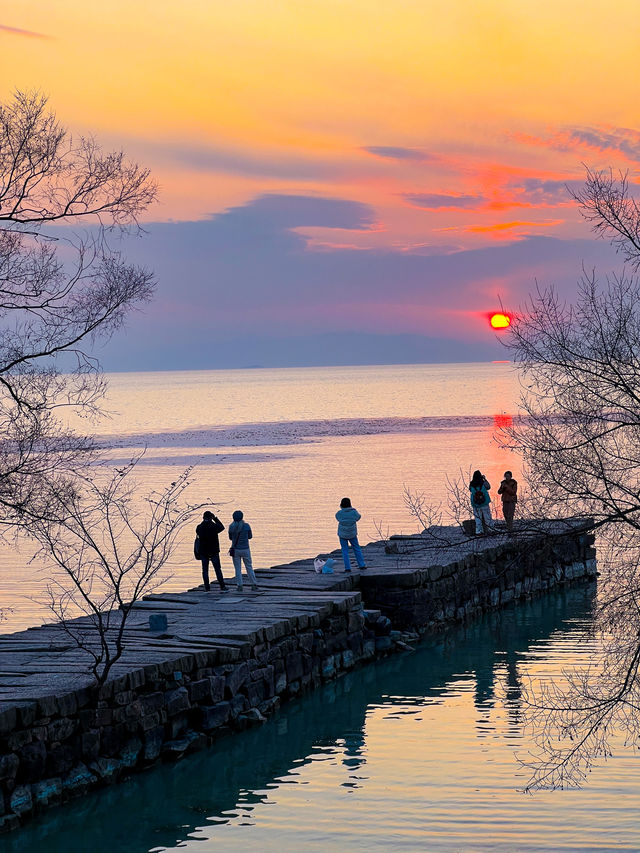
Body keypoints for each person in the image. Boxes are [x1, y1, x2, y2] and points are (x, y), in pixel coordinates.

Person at [195, 510, 228, 592]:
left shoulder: (199, 527)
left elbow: (198, 533)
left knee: (205, 570)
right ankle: (222, 586)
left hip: (203, 551)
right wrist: (215, 519)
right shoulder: (214, 526)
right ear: (211, 517)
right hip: (214, 551)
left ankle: (207, 587)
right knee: (217, 569)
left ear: (203, 518)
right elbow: (221, 527)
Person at [228, 510, 259, 592]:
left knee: (237, 569)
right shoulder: (246, 526)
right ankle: (253, 584)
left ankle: (239, 585)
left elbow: (230, 538)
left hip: (236, 550)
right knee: (249, 567)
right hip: (245, 549)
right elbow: (250, 536)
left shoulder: (231, 527)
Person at [335, 497, 367, 572]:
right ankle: (361, 565)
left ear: (341, 504)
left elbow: (337, 518)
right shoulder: (354, 512)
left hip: (342, 534)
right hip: (352, 533)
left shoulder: (339, 513)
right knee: (356, 549)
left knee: (344, 550)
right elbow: (358, 517)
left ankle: (347, 568)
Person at [469, 470, 492, 535]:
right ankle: (490, 529)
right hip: (484, 503)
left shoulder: (471, 484)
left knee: (477, 518)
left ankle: (478, 531)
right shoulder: (483, 483)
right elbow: (489, 487)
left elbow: (470, 489)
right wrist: (484, 479)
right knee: (487, 517)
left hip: (475, 504)